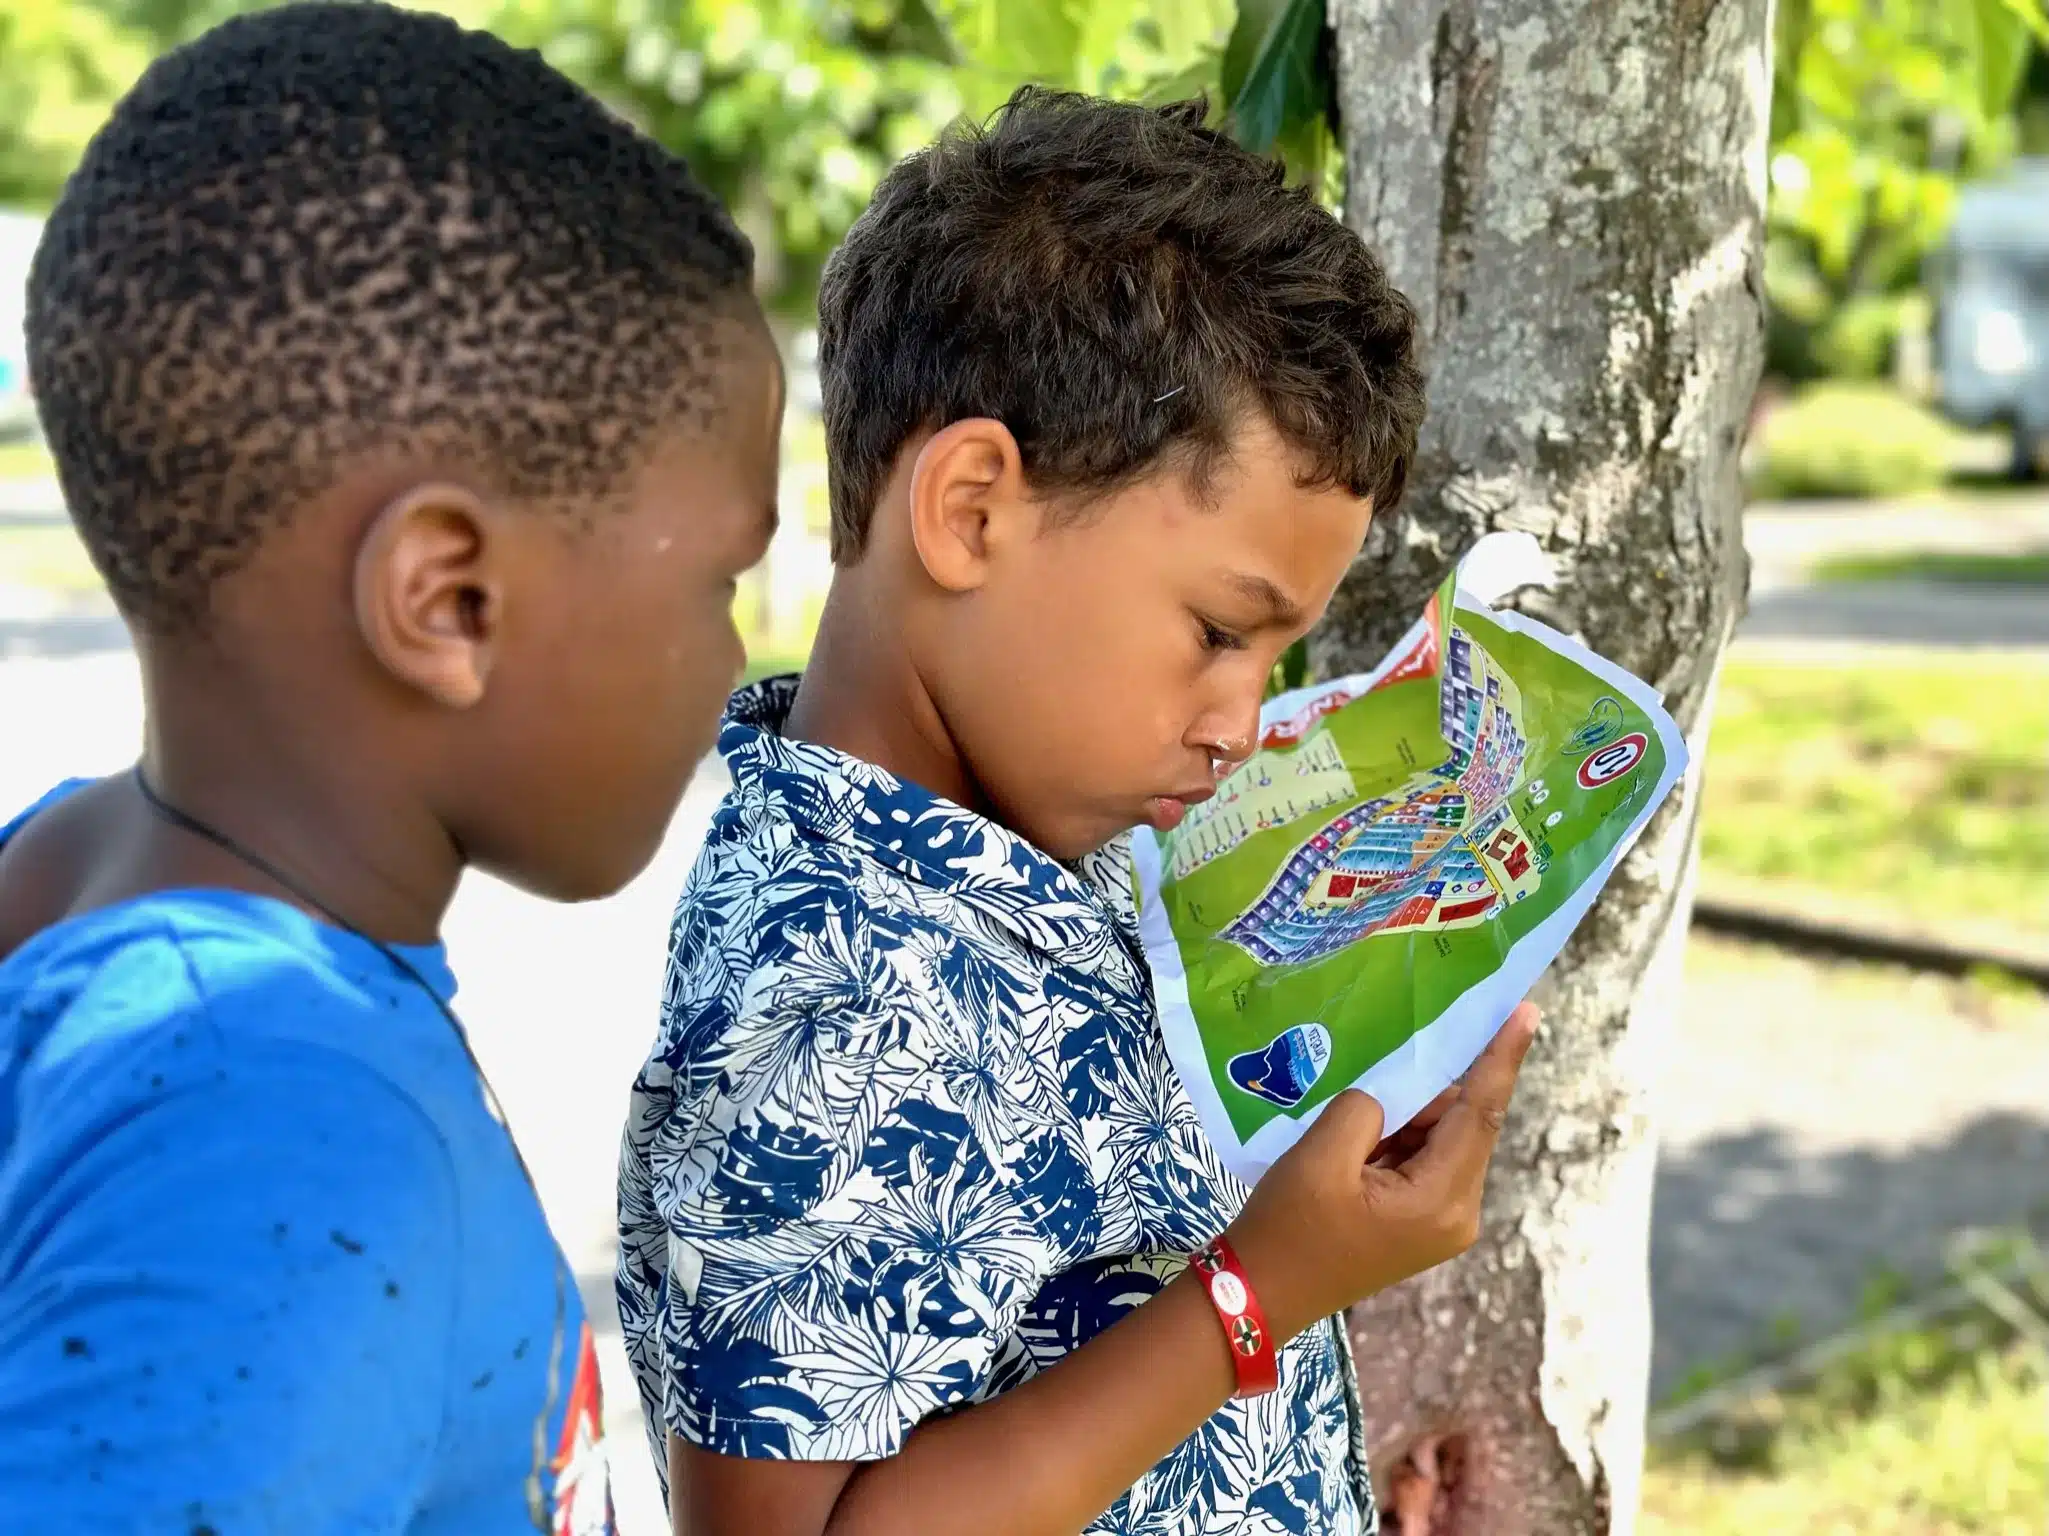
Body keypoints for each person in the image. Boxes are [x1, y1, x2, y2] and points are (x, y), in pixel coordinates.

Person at [617, 87, 1540, 1536]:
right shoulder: (841, 991)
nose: (1242, 723)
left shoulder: (1034, 845)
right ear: (973, 509)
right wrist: (1258, 1295)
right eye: (1219, 632)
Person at [0, 5, 782, 1530]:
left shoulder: (69, 872)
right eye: (718, 582)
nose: (733, 654)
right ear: (448, 602)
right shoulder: (284, 1130)